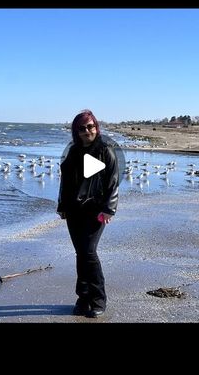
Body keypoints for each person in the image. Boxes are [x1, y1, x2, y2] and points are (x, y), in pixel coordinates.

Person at [57, 109, 119, 318]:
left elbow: (113, 180)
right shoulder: (72, 152)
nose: (87, 131)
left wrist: (108, 209)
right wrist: (62, 206)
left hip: (96, 210)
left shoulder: (105, 150)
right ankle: (83, 299)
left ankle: (98, 299)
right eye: (82, 128)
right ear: (76, 131)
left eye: (90, 126)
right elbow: (65, 182)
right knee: (81, 253)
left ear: (96, 127)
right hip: (74, 211)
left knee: (89, 252)